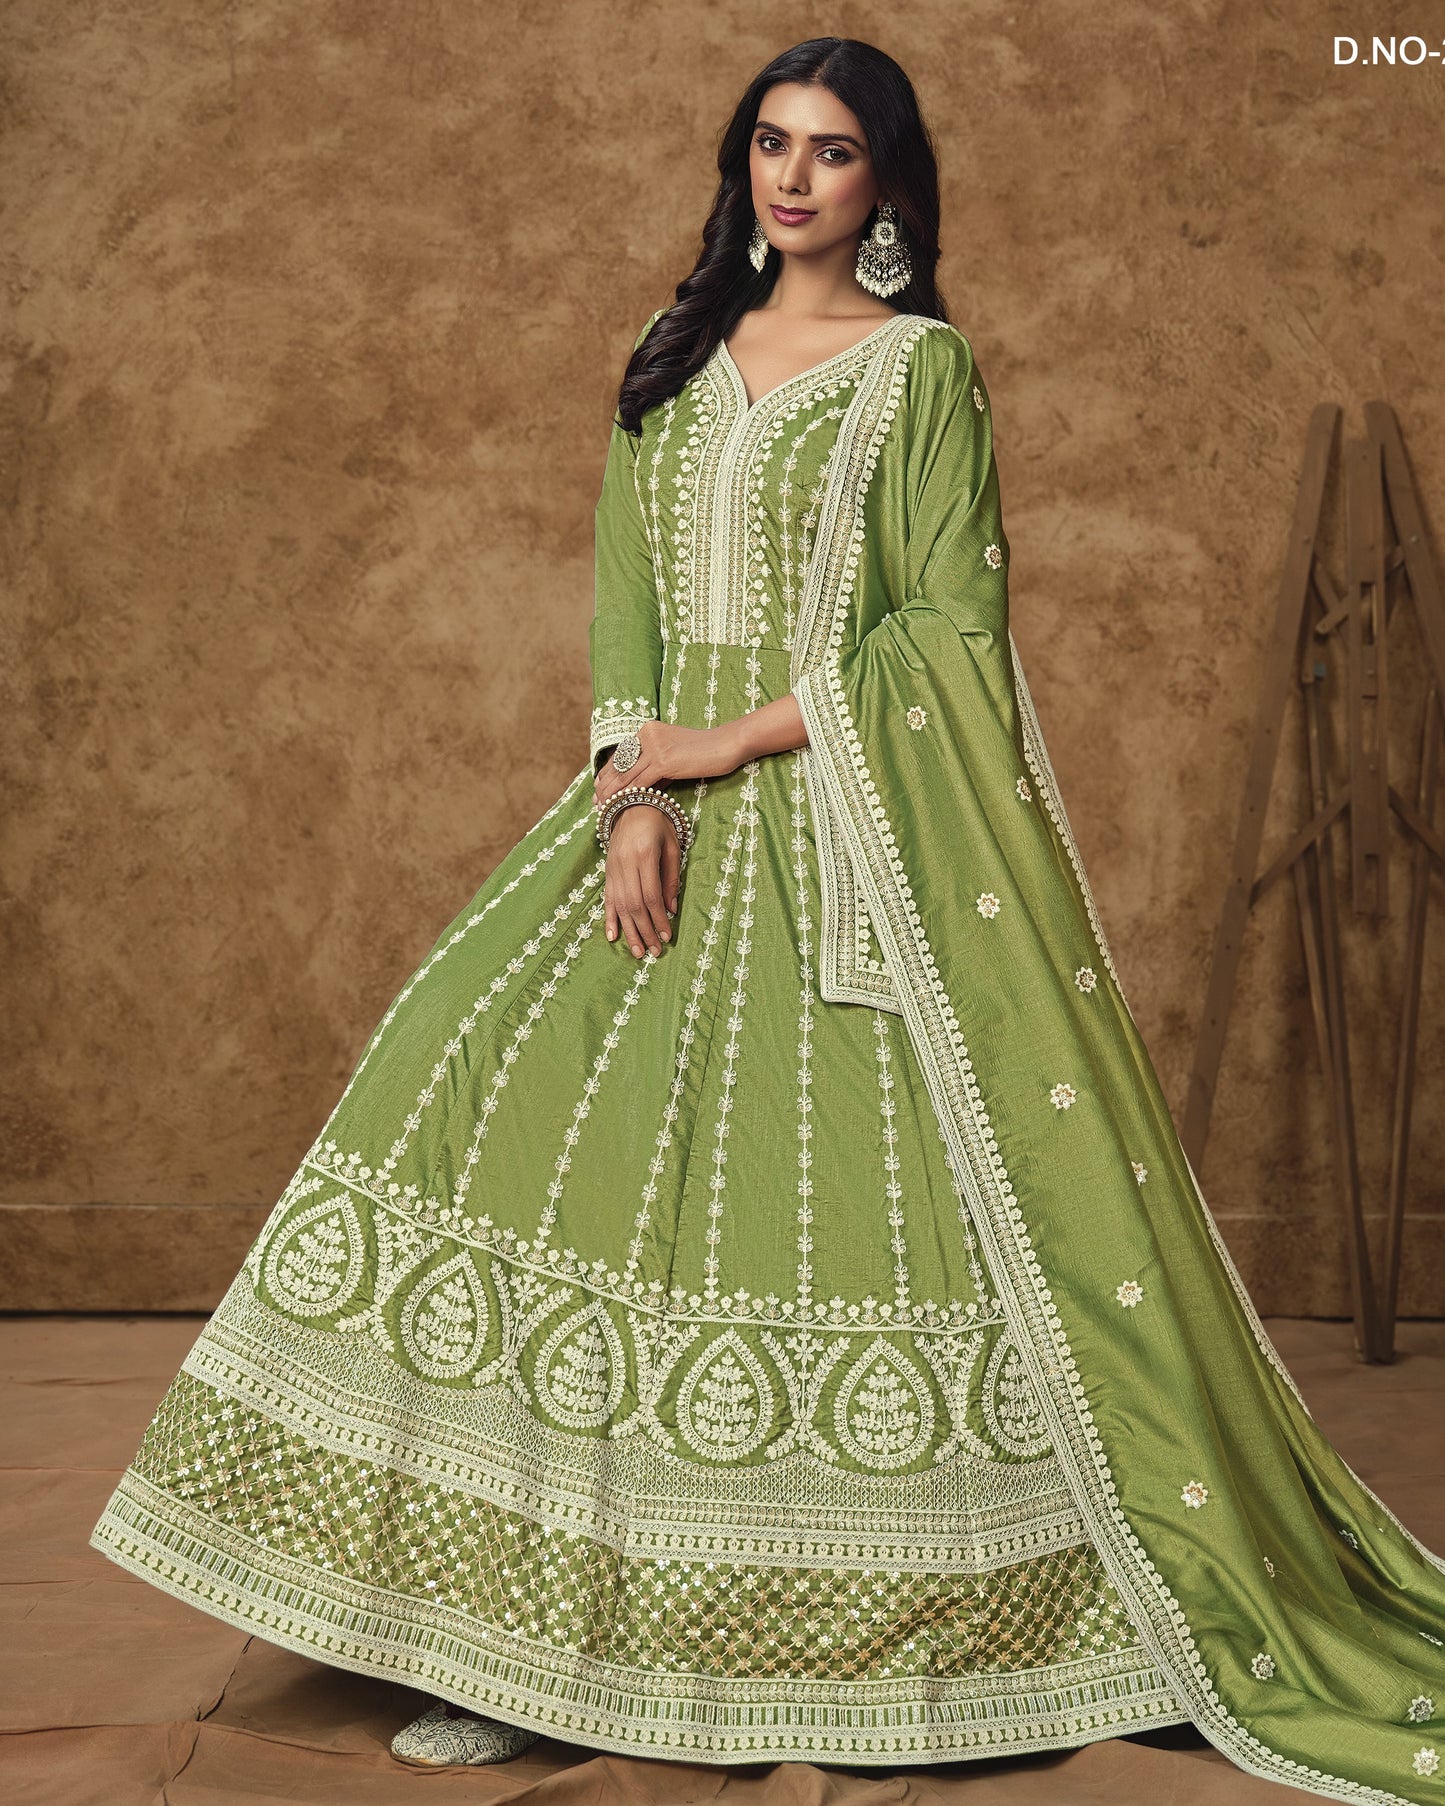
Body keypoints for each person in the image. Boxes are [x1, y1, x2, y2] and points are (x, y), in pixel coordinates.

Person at [91, 35, 1445, 1801]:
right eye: (768, 145)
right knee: (510, 1126)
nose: (791, 179)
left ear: (887, 189)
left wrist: (720, 745)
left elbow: (950, 631)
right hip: (653, 812)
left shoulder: (916, 375)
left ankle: (868, 1631)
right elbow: (620, 617)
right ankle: (522, 1638)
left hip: (846, 835)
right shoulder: (671, 368)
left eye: (832, 153)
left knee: (789, 1213)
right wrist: (636, 793)